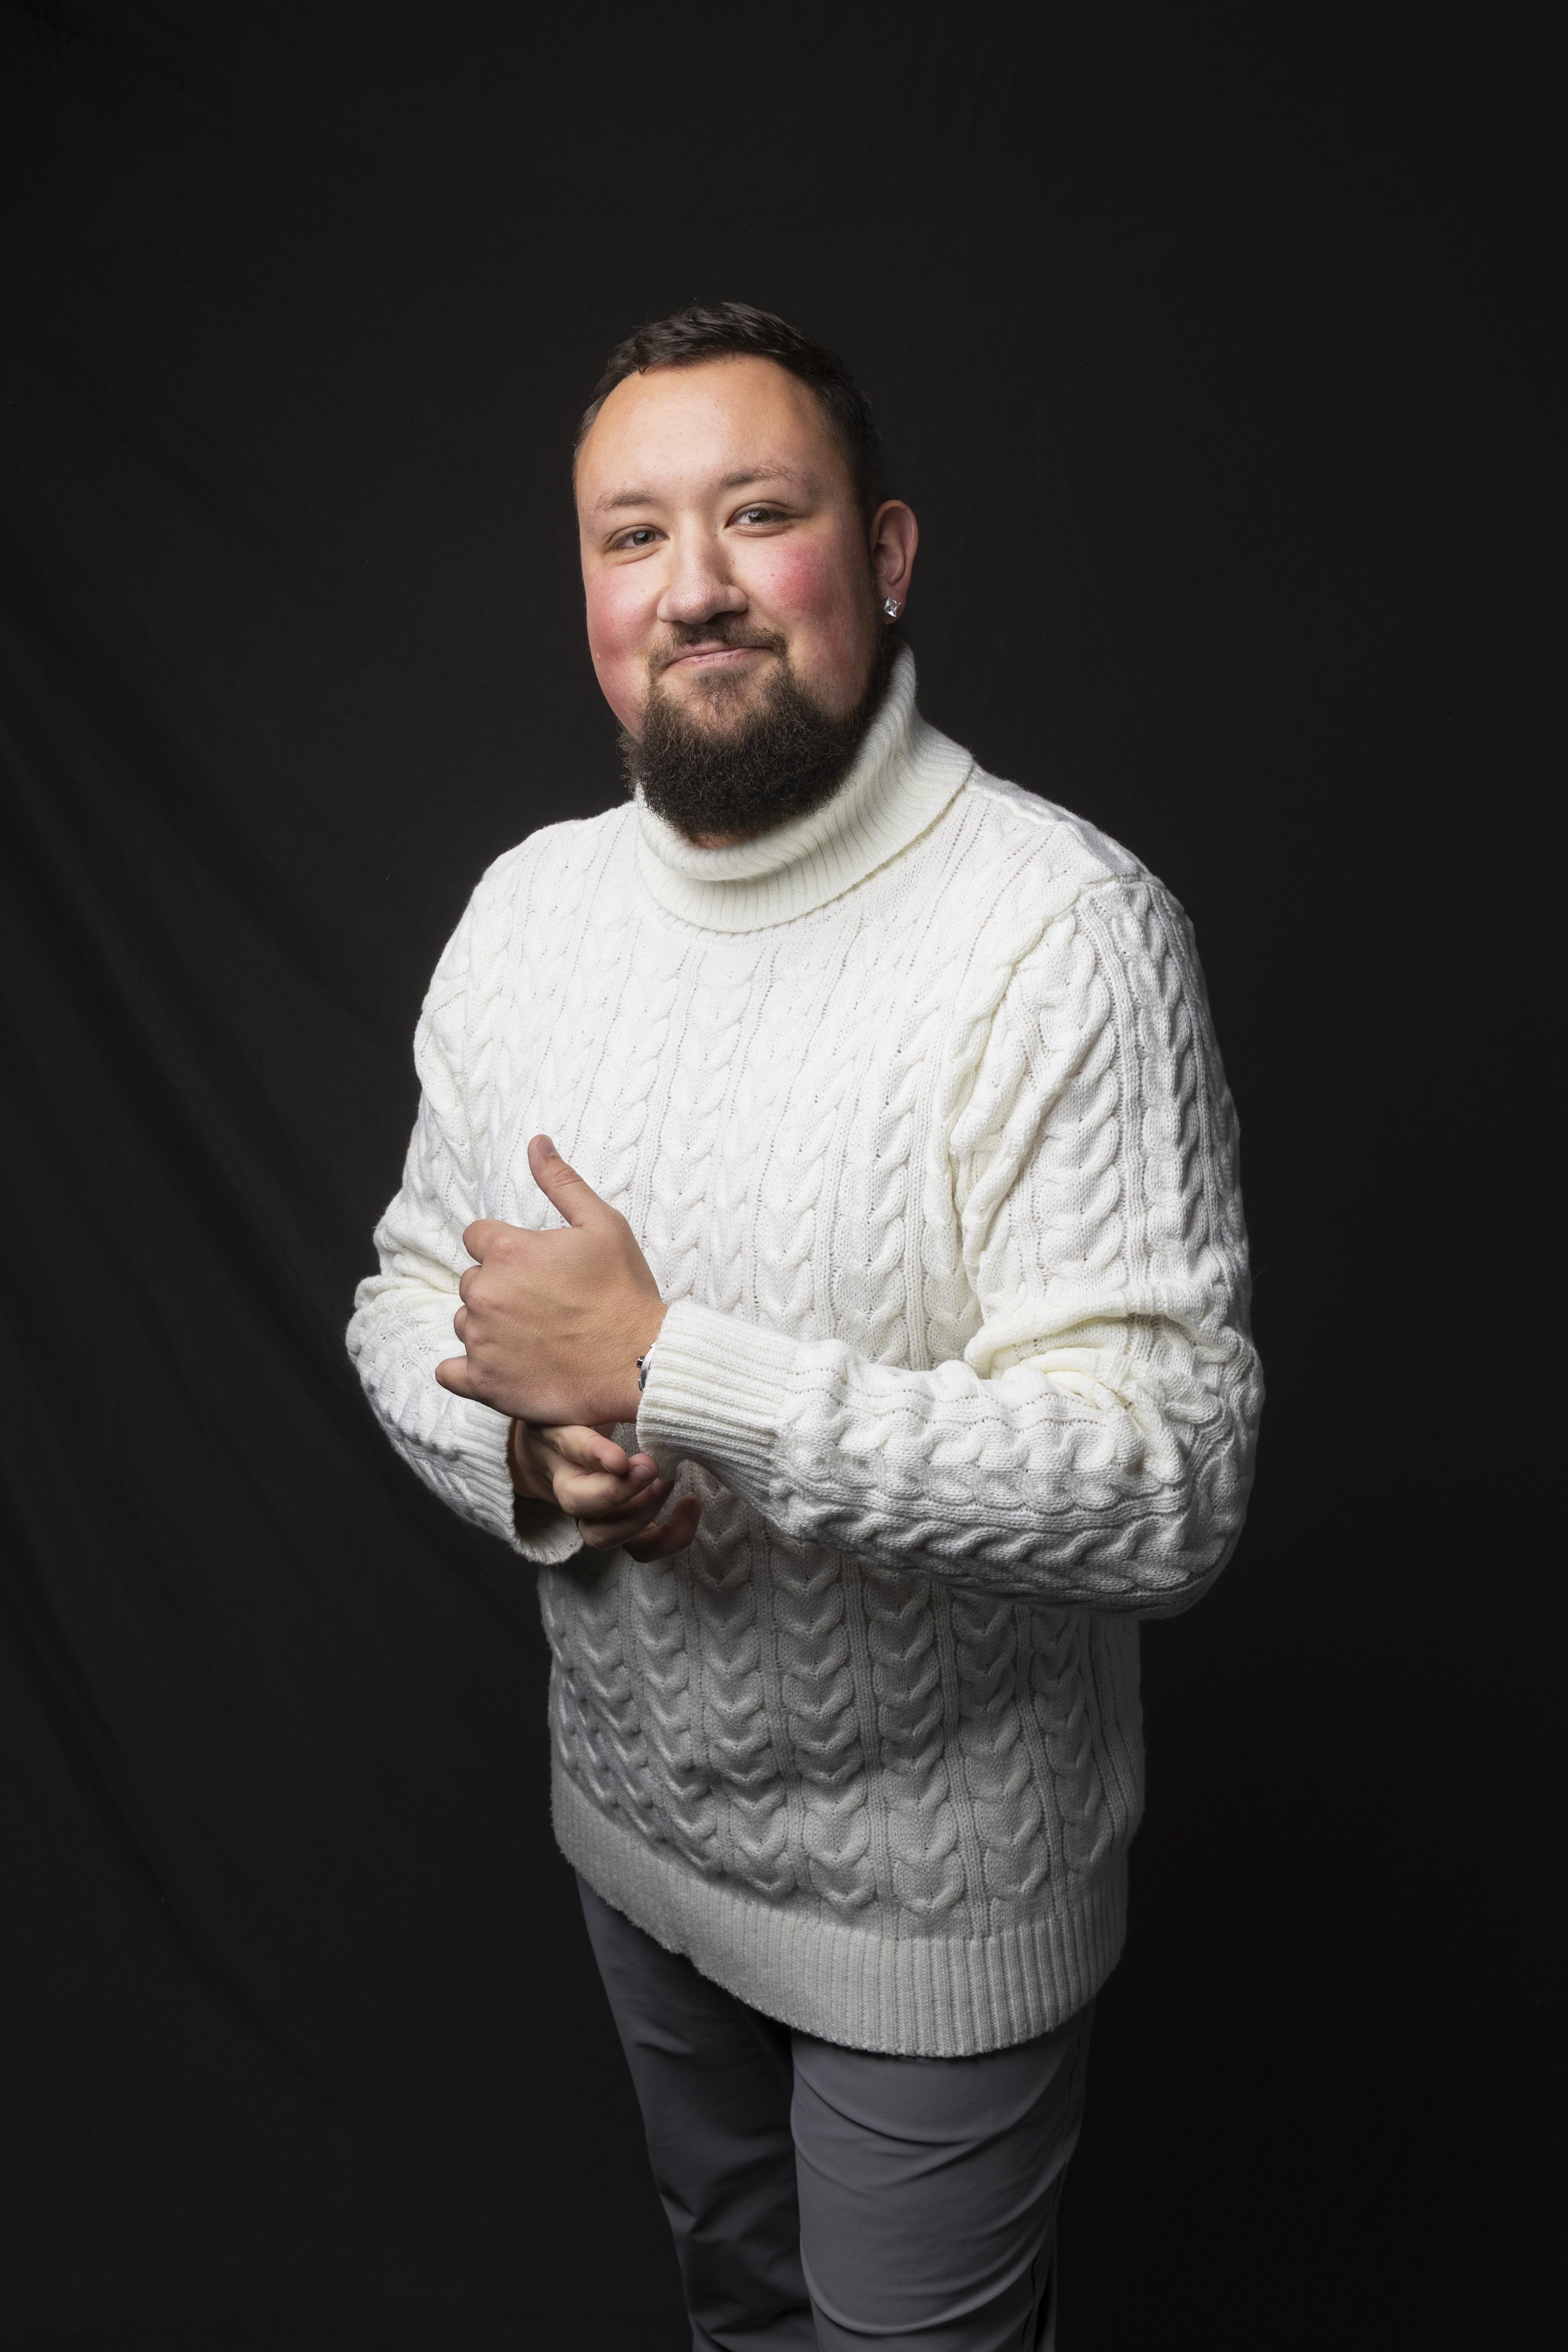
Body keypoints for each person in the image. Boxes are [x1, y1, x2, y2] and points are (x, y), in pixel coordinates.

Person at [348, 302, 1261, 2351]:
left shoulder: (1055, 932)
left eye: (759, 516)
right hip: (635, 1844)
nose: (694, 589)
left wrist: (678, 1378)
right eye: (629, 535)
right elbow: (408, 1291)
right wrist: (538, 1453)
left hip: (936, 1916)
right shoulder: (527, 913)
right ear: (584, 582)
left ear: (886, 553)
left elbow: (1168, 1487)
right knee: (736, 2312)